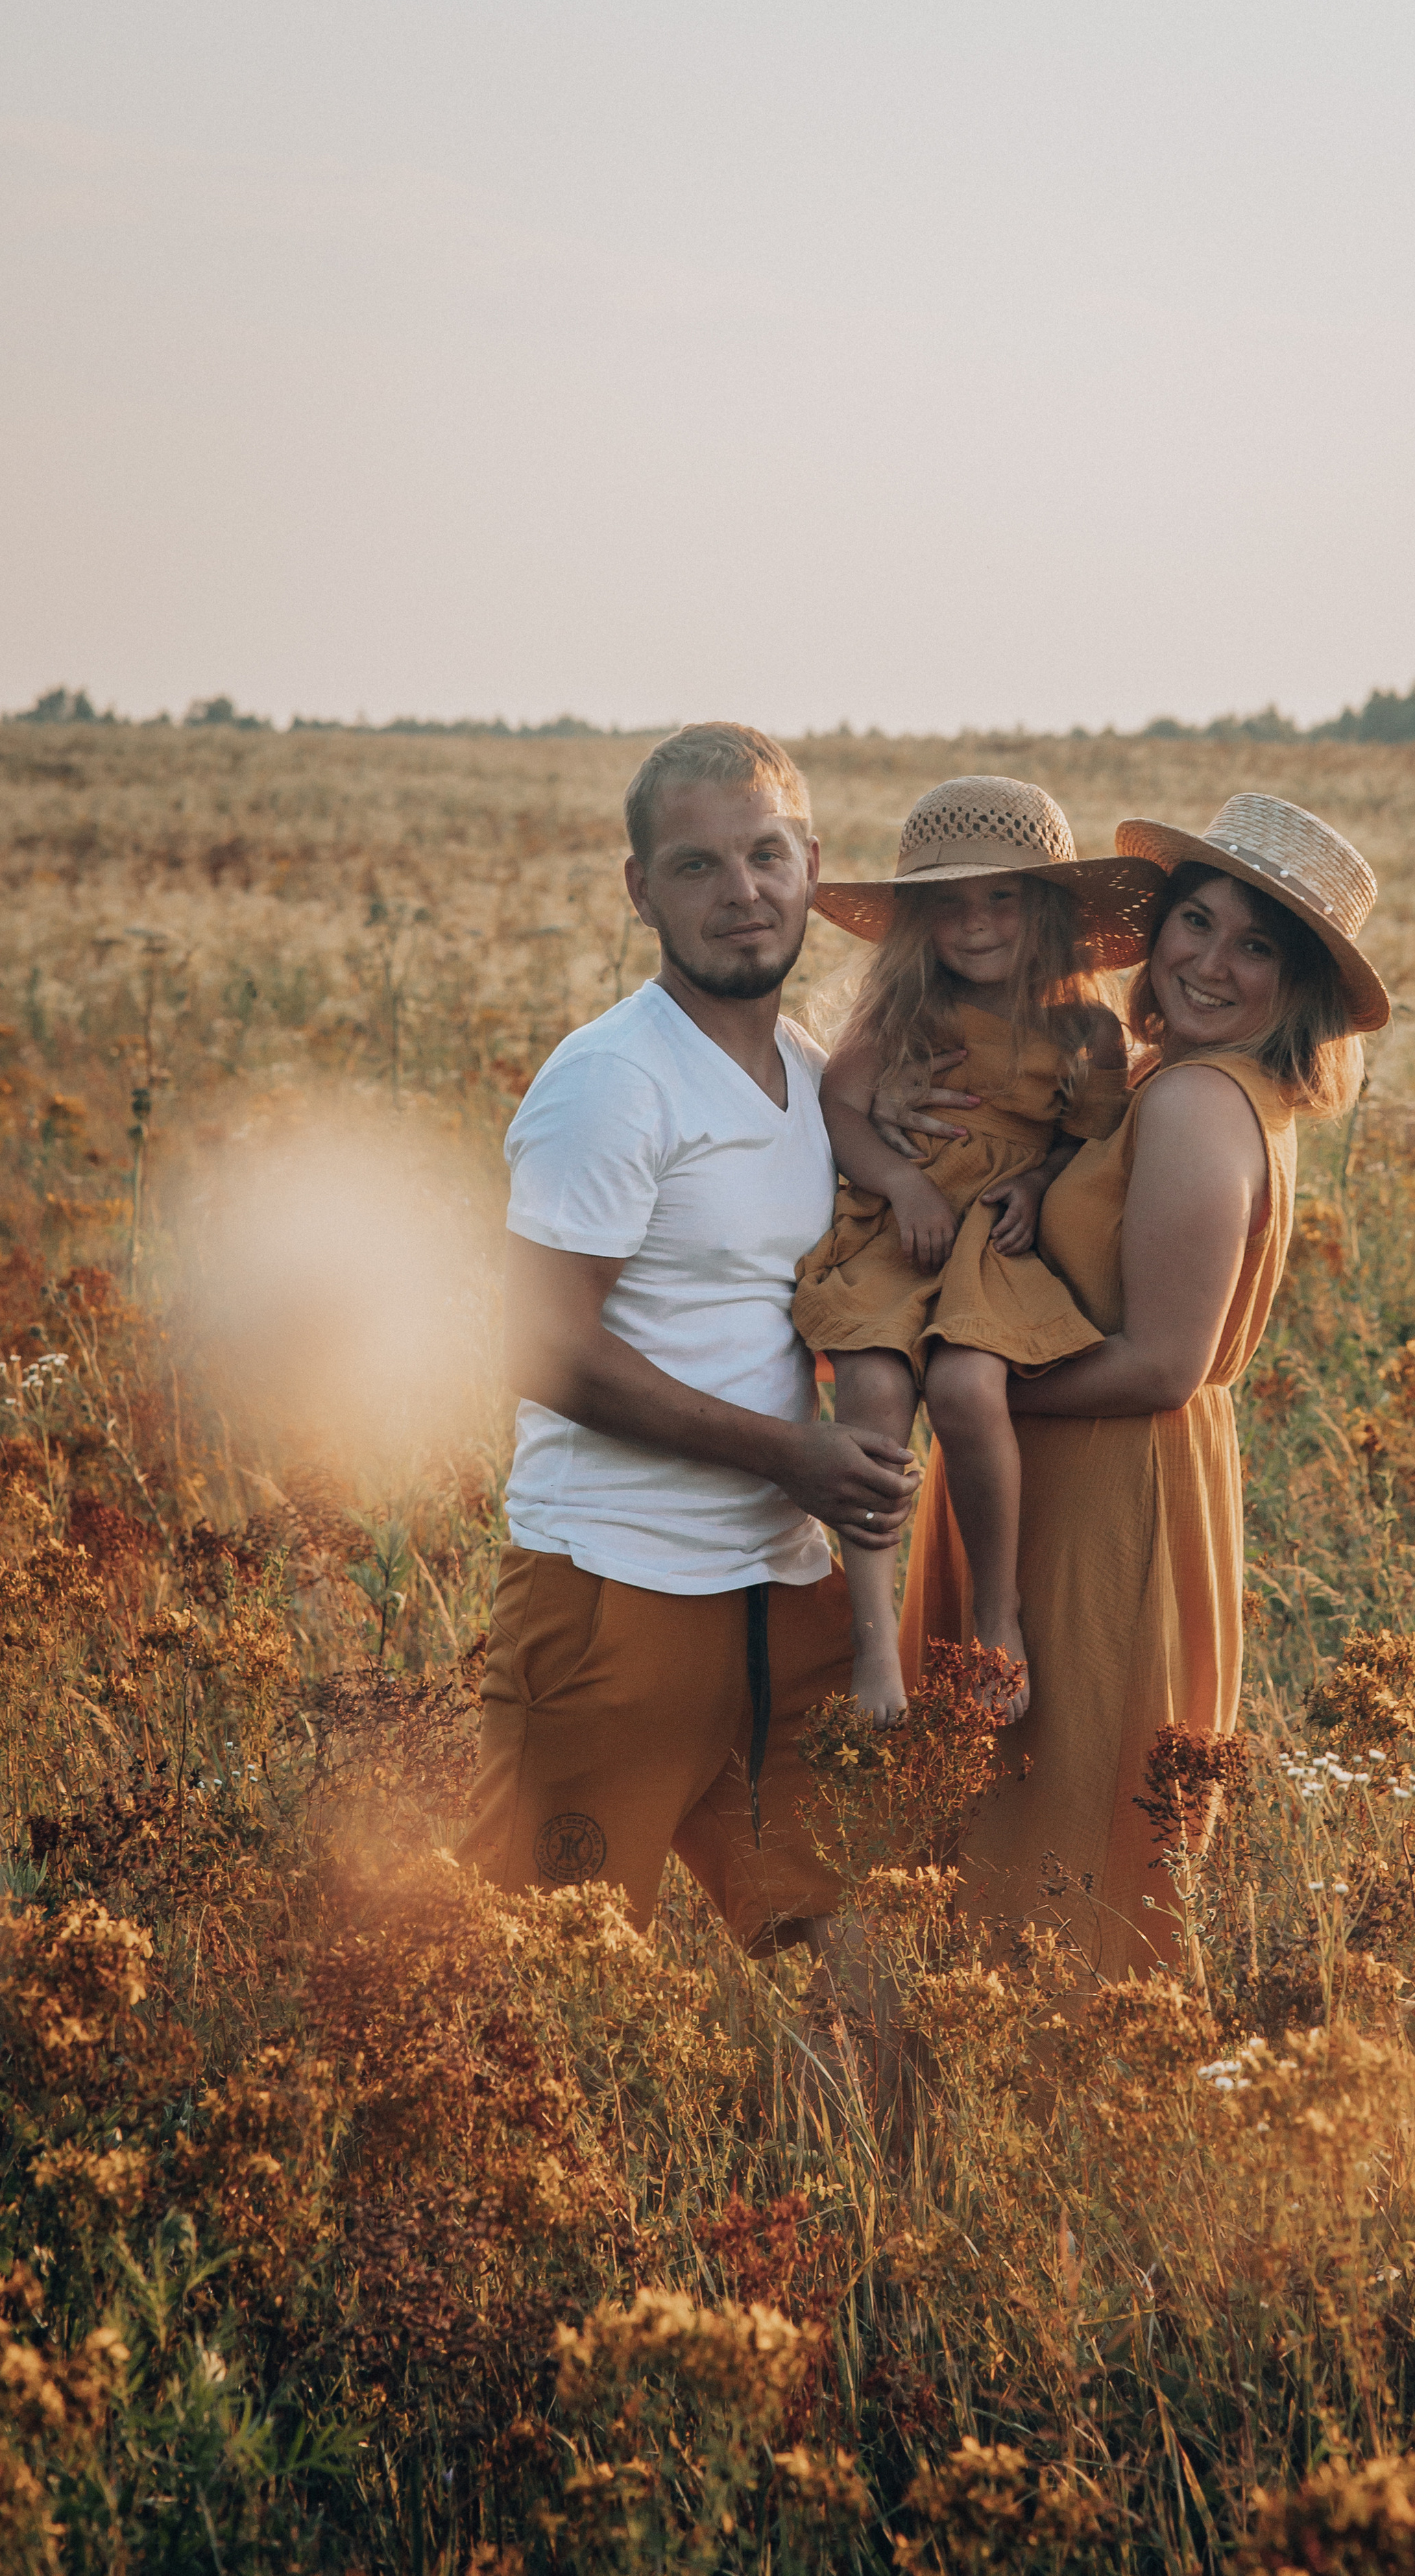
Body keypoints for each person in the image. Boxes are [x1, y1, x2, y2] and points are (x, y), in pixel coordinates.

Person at [898, 792, 1390, 1979]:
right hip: (1105, 1481)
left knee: (1047, 1845)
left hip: (1099, 1501)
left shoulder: (1192, 1101)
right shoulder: (1208, 1089)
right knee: (1048, 1841)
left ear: (1301, 988)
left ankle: (1021, 2121)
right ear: (1158, 930)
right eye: (1196, 922)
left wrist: (971, 1399)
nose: (1211, 963)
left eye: (1256, 945)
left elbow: (1164, 1362)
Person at [457, 721, 919, 1952]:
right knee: (551, 1976)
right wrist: (789, 1455)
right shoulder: (613, 1080)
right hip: (618, 1592)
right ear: (639, 890)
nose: (743, 894)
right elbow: (543, 1349)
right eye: (698, 866)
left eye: (766, 855)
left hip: (784, 1593)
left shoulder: (817, 1082)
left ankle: (852, 2156)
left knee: (851, 1932)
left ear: (813, 866)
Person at [792, 778, 1162, 1729]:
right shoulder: (908, 1010)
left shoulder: (1086, 1030)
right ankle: (874, 1642)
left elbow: (1090, 1142)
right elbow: (841, 1104)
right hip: (902, 1229)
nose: (977, 923)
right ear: (920, 921)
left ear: (1045, 908)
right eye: (950, 902)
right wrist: (902, 1181)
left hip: (990, 1247)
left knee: (964, 1390)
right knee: (870, 1390)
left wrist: (1036, 1186)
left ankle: (997, 1610)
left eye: (1002, 896)